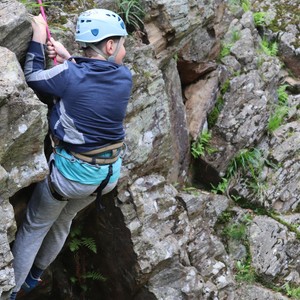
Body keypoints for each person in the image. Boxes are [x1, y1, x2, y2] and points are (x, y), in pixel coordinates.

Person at [10, 8, 132, 300]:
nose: (125, 50)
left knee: (35, 225)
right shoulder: (124, 77)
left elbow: (34, 77)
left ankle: (10, 292)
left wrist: (40, 37)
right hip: (107, 175)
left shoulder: (71, 74)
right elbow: (88, 76)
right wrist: (68, 59)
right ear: (110, 46)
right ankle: (35, 276)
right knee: (63, 221)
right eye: (123, 44)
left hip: (72, 177)